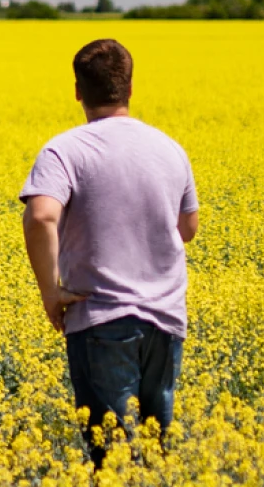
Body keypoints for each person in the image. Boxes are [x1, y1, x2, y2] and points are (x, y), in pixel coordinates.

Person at [20, 39, 200, 464]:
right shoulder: (170, 148)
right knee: (156, 452)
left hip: (101, 318)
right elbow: (188, 228)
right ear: (130, 89)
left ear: (78, 91)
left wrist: (52, 292)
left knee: (111, 456)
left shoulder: (64, 150)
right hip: (165, 319)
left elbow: (41, 217)